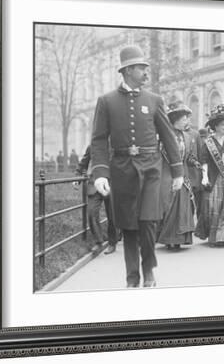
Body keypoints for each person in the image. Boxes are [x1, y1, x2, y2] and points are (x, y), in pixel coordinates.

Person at [90, 45, 184, 288]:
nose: (146, 72)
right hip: (121, 170)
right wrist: (100, 173)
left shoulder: (154, 100)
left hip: (151, 169)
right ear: (128, 70)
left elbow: (168, 136)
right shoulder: (106, 101)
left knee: (148, 221)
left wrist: (177, 171)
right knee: (129, 226)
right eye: (142, 68)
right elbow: (99, 140)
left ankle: (149, 269)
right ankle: (132, 277)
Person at [195, 104, 224, 247]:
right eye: (221, 124)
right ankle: (213, 237)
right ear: (215, 127)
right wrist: (205, 177)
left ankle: (222, 237)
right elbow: (203, 161)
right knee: (212, 207)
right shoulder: (208, 142)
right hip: (213, 178)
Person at [157, 102, 197, 250]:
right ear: (175, 119)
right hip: (168, 173)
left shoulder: (186, 136)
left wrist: (195, 163)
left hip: (184, 174)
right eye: (184, 118)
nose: (187, 121)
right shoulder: (166, 135)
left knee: (183, 206)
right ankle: (169, 239)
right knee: (170, 204)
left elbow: (188, 156)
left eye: (187, 118)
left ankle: (180, 238)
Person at [76, 145, 119, 254]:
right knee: (91, 213)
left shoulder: (118, 145)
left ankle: (112, 242)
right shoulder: (92, 146)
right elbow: (83, 164)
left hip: (112, 185)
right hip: (94, 184)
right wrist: (77, 177)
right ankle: (98, 242)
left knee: (112, 216)